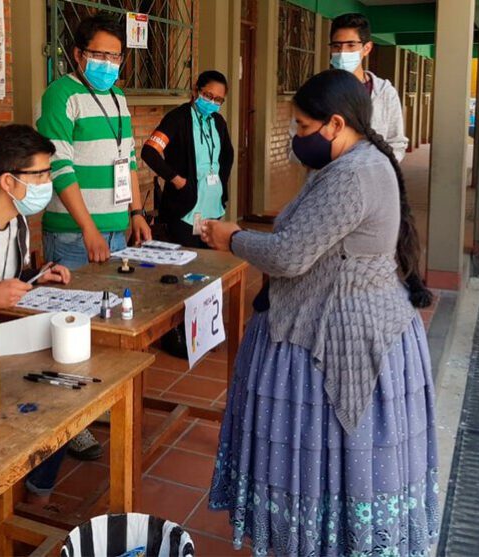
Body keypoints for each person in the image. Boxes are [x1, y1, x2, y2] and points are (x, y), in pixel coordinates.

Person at [201, 70, 438, 555]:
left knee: (333, 453)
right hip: (347, 318)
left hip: (340, 340)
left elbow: (290, 255)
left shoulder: (352, 175)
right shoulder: (355, 163)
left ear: (335, 124)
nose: (296, 137)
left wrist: (233, 238)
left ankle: (326, 543)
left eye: (303, 127)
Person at [0, 124, 72, 556]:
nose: (47, 183)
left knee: (62, 400)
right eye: (40, 175)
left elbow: (14, 282)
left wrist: (39, 279)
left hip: (6, 342)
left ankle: (38, 495)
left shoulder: (18, 222)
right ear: (9, 180)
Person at [36, 13, 151, 460]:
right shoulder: (61, 95)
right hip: (73, 234)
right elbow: (58, 166)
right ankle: (72, 423)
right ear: (79, 54)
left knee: (104, 324)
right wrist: (87, 228)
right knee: (71, 327)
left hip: (115, 229)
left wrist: (137, 213)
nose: (108, 63)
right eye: (99, 54)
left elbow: (129, 164)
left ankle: (90, 403)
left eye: (115, 56)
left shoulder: (119, 97)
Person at [289, 12, 408, 165]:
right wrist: (328, 161)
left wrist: (375, 166)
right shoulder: (315, 91)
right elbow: (294, 146)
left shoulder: (384, 93)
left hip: (370, 183)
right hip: (327, 182)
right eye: (337, 46)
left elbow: (397, 144)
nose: (342, 52)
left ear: (366, 48)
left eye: (351, 45)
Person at [141, 70, 235, 248]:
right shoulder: (177, 119)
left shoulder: (218, 121)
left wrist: (221, 182)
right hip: (185, 210)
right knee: (187, 264)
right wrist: (177, 180)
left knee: (208, 267)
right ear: (195, 90)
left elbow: (227, 156)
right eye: (208, 95)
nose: (212, 102)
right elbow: (149, 152)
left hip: (212, 208)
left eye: (218, 99)